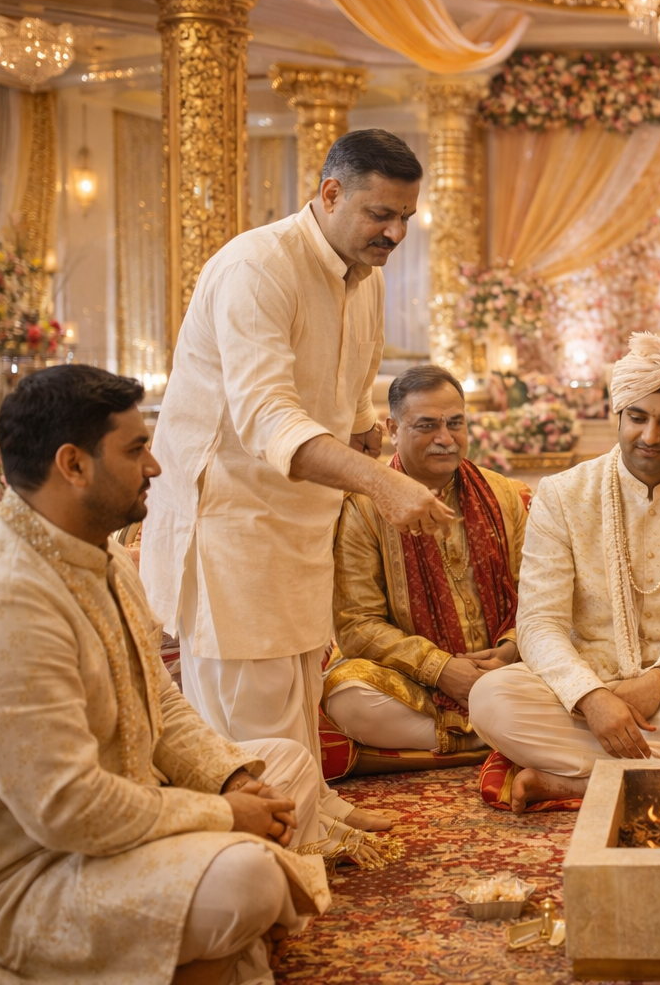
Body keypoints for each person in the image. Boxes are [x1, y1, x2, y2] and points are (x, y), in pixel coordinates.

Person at [0, 366, 332, 985]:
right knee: (249, 877)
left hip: (128, 818)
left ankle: (218, 949)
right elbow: (68, 810)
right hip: (34, 876)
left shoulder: (98, 551)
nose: (156, 466)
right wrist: (224, 815)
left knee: (284, 765)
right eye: (136, 449)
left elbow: (159, 698)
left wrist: (231, 777)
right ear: (73, 465)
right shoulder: (5, 597)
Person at [140, 129, 450, 855]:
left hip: (302, 520)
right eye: (381, 213)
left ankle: (315, 810)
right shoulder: (257, 268)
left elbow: (349, 402)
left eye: (405, 216)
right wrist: (381, 485)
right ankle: (274, 843)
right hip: (231, 521)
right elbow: (266, 417)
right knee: (247, 708)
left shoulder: (362, 277)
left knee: (300, 683)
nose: (396, 232)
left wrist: (374, 440)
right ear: (330, 192)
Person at [469, 329, 660, 813]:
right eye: (637, 418)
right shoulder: (562, 495)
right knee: (491, 698)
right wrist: (591, 698)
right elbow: (539, 622)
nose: (650, 437)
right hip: (587, 688)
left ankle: (575, 783)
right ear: (617, 416)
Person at [324, 364, 525, 758]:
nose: (445, 439)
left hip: (505, 671)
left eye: (455, 424)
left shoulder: (504, 494)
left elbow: (537, 595)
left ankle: (486, 732)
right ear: (393, 430)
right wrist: (441, 669)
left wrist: (511, 650)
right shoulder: (363, 507)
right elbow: (357, 625)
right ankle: (491, 736)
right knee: (348, 697)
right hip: (415, 681)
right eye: (427, 426)